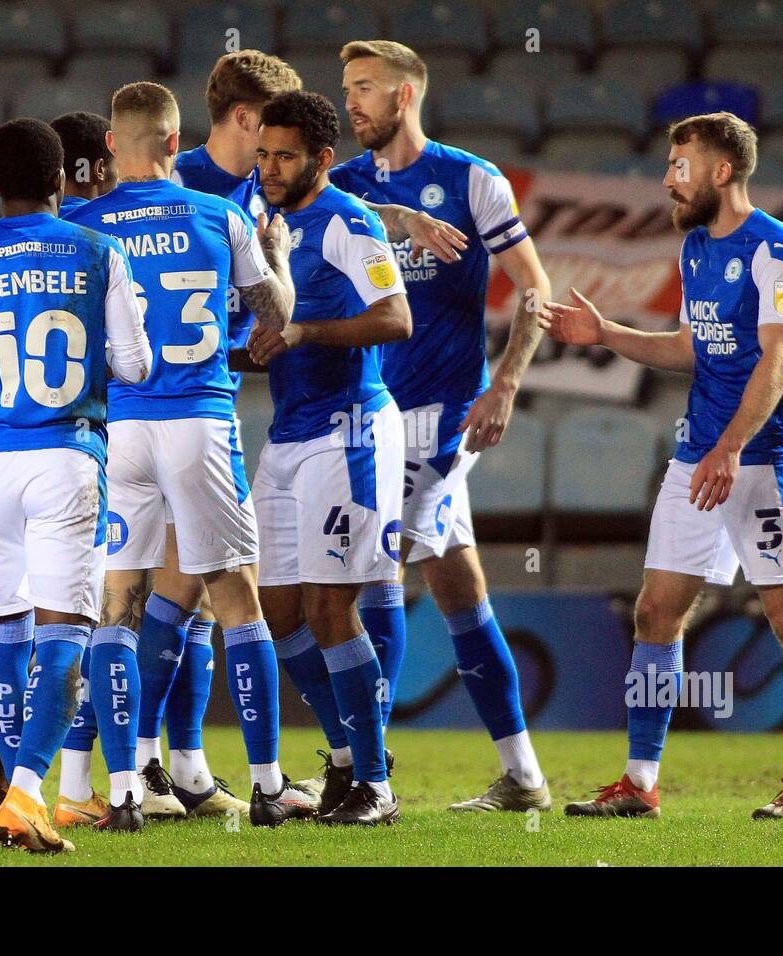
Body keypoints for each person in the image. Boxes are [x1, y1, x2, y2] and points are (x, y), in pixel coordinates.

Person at [541, 112, 783, 820]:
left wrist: (732, 447)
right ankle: (640, 783)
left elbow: (780, 357)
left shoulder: (779, 252)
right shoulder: (697, 248)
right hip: (697, 459)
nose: (669, 180)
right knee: (656, 611)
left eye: (681, 166)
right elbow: (691, 348)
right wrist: (607, 334)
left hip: (762, 461)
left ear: (722, 170)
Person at [65, 81, 316, 828]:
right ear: (177, 143)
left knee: (118, 609)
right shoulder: (222, 214)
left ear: (112, 146)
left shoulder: (84, 224)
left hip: (123, 431)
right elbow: (275, 317)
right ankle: (269, 787)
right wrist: (279, 256)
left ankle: (120, 793)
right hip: (202, 421)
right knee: (237, 600)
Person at [0, 117, 151, 851]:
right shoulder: (100, 249)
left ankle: (15, 789)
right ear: (59, 181)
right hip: (69, 458)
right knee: (64, 636)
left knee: (5, 638)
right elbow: (137, 367)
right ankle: (26, 796)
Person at [326, 40, 554, 812]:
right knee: (456, 584)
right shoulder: (343, 185)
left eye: (365, 88)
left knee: (374, 571)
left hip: (449, 415)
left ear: (408, 93)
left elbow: (535, 290)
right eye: (347, 88)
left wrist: (508, 383)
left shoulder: (469, 180)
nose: (351, 101)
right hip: (372, 415)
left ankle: (366, 775)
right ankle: (522, 776)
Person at [247, 90, 411, 826]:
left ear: (321, 159)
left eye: (284, 156)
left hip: (348, 433)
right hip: (288, 434)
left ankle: (376, 785)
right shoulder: (265, 225)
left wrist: (305, 334)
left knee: (328, 605)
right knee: (276, 609)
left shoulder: (349, 221)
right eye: (262, 153)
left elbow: (395, 317)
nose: (270, 167)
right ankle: (347, 757)